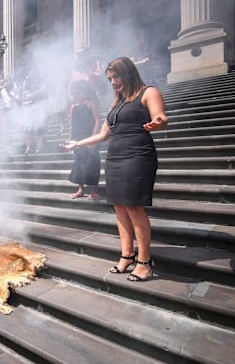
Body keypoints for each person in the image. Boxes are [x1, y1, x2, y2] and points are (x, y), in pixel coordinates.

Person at [62, 57, 168, 282]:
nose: (112, 82)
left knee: (134, 208)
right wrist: (77, 143)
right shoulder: (116, 104)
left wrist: (157, 122)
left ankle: (145, 261)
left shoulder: (148, 92)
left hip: (138, 157)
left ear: (127, 72)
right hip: (115, 159)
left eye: (116, 76)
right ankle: (127, 254)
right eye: (109, 78)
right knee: (119, 207)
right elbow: (103, 135)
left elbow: (161, 116)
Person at [67, 80, 101, 200]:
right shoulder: (73, 107)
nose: (74, 96)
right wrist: (70, 139)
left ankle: (94, 190)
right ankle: (81, 189)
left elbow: (97, 120)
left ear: (84, 92)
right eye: (73, 94)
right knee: (78, 163)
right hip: (77, 139)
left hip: (90, 137)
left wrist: (93, 138)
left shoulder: (91, 103)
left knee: (93, 162)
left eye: (76, 93)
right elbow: (71, 124)